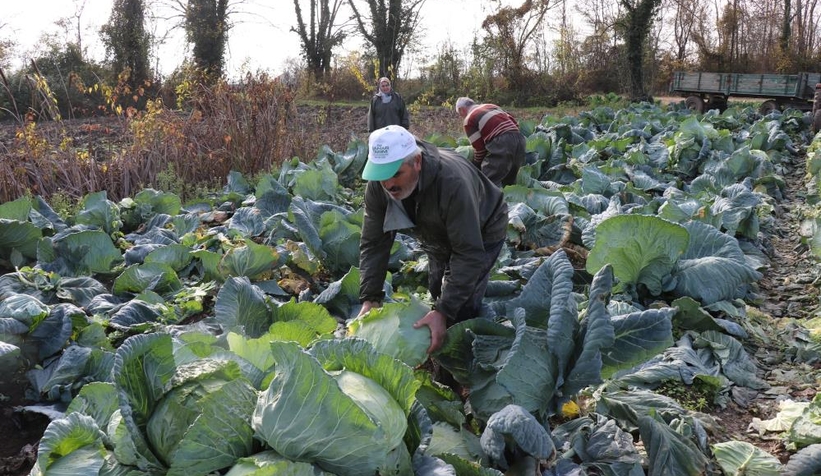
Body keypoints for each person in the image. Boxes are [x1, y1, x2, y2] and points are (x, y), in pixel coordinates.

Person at [357, 125, 509, 354]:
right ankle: (439, 345)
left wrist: (445, 311)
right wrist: (371, 297)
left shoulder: (451, 183)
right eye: (381, 176)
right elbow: (374, 242)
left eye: (396, 173)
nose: (388, 185)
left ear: (417, 162)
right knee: (437, 286)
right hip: (435, 230)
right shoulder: (380, 187)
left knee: (461, 307)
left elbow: (468, 253)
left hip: (483, 228)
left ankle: (460, 366)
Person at [455, 96, 526, 187]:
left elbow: (480, 149)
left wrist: (475, 165)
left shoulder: (469, 119)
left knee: (488, 182)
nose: (461, 117)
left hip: (502, 142)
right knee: (510, 182)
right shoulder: (491, 106)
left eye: (459, 114)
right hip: (520, 139)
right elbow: (513, 122)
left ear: (461, 110)